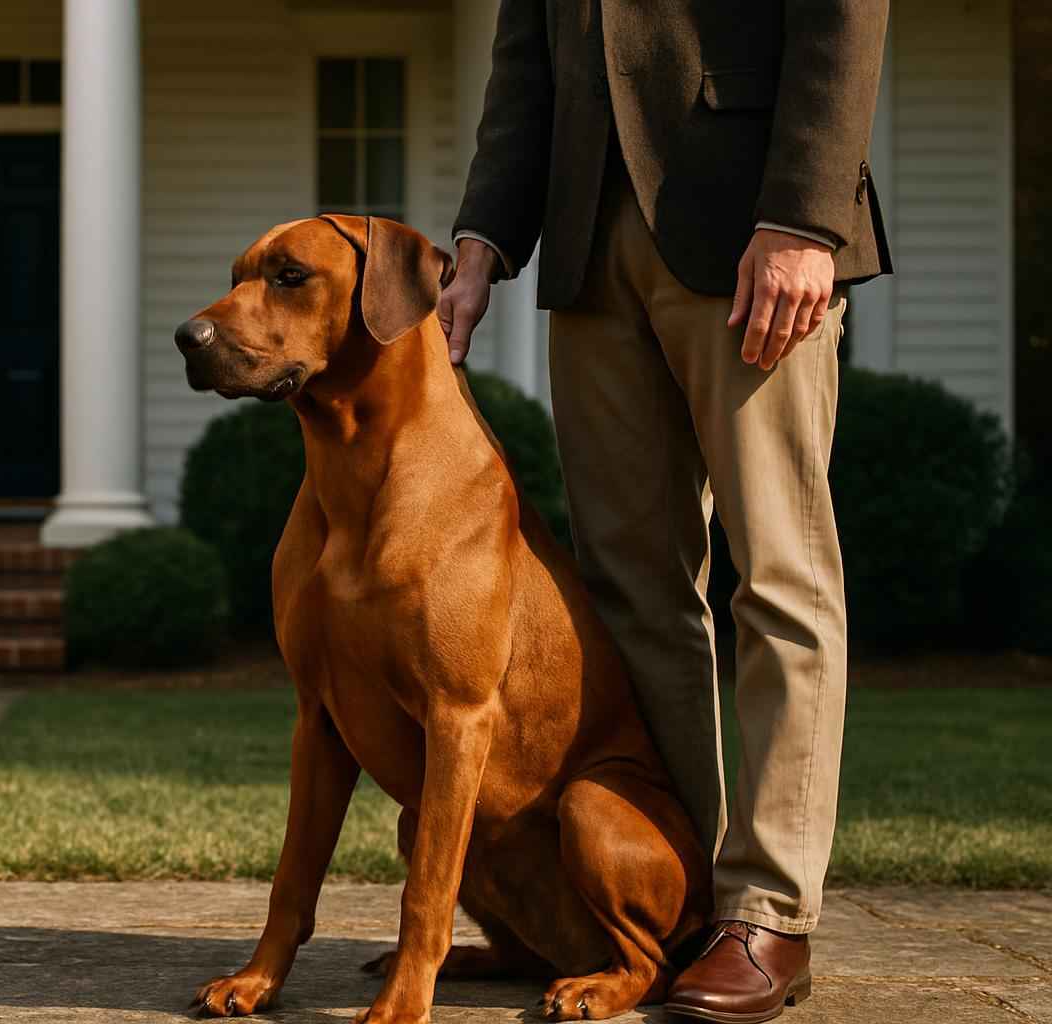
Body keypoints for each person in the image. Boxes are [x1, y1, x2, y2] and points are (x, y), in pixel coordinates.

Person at [443, 2, 891, 1021]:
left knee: (779, 574)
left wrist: (803, 218)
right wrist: (482, 239)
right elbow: (525, 60)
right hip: (586, 241)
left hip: (750, 226)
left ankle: (769, 910)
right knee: (630, 590)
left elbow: (841, 16)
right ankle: (678, 907)